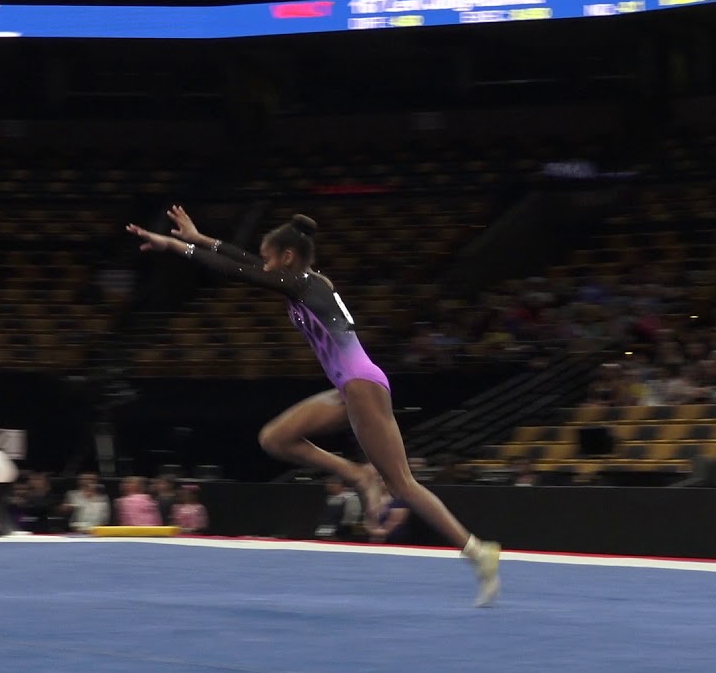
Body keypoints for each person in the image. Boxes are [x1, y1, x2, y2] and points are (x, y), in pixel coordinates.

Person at [126, 206, 502, 606]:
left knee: (402, 484)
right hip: (349, 386)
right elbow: (247, 262)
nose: (264, 264)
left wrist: (174, 245)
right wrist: (199, 238)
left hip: (361, 387)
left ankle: (477, 550)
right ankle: (358, 474)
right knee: (275, 438)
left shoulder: (304, 285)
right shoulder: (306, 280)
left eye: (270, 257)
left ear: (287, 258)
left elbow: (239, 271)